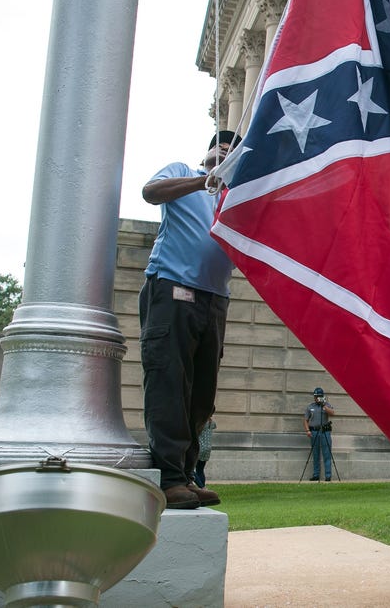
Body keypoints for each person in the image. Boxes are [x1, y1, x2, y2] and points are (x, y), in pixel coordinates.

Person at [139, 130, 238, 509]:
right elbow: (151, 192)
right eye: (220, 148)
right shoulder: (183, 174)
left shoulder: (237, 197)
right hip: (173, 290)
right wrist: (204, 181)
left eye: (232, 152)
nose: (224, 154)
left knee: (201, 396)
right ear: (207, 153)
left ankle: (187, 473)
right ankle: (168, 478)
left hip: (215, 301)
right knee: (169, 383)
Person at [304, 387, 336, 481]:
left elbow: (332, 413)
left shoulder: (326, 405)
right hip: (314, 432)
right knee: (315, 453)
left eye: (319, 396)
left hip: (325, 432)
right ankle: (316, 475)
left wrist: (324, 406)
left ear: (322, 396)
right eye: (316, 396)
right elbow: (305, 420)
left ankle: (328, 475)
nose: (317, 398)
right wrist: (307, 430)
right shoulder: (310, 407)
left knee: (327, 453)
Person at [194, 416, 216, 487]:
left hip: (199, 447)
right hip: (207, 448)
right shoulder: (212, 423)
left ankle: (202, 487)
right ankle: (203, 487)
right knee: (200, 470)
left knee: (189, 470)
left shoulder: (201, 423)